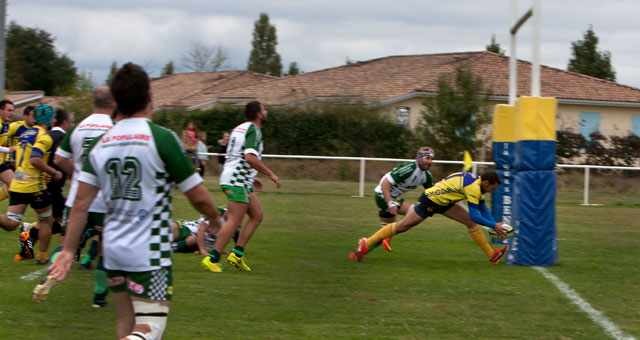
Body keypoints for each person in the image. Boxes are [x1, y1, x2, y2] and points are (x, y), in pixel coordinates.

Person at [48, 63, 222, 340]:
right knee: (149, 329)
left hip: (114, 248)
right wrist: (215, 219)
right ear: (149, 96)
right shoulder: (162, 139)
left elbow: (80, 203)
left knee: (126, 325)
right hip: (148, 252)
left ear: (117, 101)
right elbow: (198, 196)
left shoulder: (101, 142)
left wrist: (69, 249)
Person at [31, 87, 117, 308]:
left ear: (93, 103)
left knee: (66, 243)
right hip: (104, 200)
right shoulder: (114, 128)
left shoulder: (78, 128)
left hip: (77, 196)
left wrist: (77, 173)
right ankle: (99, 297)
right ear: (113, 103)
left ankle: (48, 279)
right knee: (105, 247)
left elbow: (59, 160)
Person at [350, 170, 511, 264]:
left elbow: (482, 206)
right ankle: (367, 242)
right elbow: (476, 214)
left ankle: (492, 255)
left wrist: (493, 223)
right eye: (492, 188)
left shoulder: (475, 181)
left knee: (469, 222)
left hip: (445, 201)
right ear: (486, 182)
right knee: (402, 226)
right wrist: (494, 226)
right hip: (430, 201)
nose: (492, 191)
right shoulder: (473, 187)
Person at [201, 101, 281, 273]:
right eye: (264, 109)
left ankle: (237, 255)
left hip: (238, 179)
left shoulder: (240, 128)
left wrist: (252, 179)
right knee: (235, 219)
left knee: (256, 215)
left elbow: (237, 156)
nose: (266, 112)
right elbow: (250, 157)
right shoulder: (254, 129)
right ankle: (212, 258)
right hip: (236, 180)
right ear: (258, 114)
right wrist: (270, 174)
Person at [0, 104, 61, 266]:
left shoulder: (24, 134)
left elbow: (25, 159)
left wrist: (44, 171)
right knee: (46, 220)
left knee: (11, 223)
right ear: (48, 119)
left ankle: (28, 250)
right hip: (34, 186)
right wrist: (53, 172)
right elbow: (35, 159)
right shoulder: (45, 136)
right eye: (53, 117)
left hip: (18, 184)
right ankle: (42, 258)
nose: (54, 120)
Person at [14, 109, 74, 261]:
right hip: (51, 186)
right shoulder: (60, 137)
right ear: (64, 122)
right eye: (71, 122)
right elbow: (58, 160)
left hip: (42, 184)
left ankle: (27, 242)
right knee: (67, 222)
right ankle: (64, 257)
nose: (72, 125)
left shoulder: (43, 135)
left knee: (51, 221)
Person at [373, 147, 435, 252]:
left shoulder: (427, 176)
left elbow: (433, 193)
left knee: (384, 233)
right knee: (414, 212)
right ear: (419, 158)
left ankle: (362, 247)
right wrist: (390, 203)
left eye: (431, 159)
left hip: (392, 198)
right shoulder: (409, 168)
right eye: (427, 158)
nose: (429, 161)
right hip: (382, 195)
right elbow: (385, 183)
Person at [0, 100, 16, 202]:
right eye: (9, 110)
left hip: (0, 163)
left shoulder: (6, 125)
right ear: (0, 111)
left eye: (13, 111)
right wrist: (8, 150)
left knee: (15, 185)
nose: (11, 113)